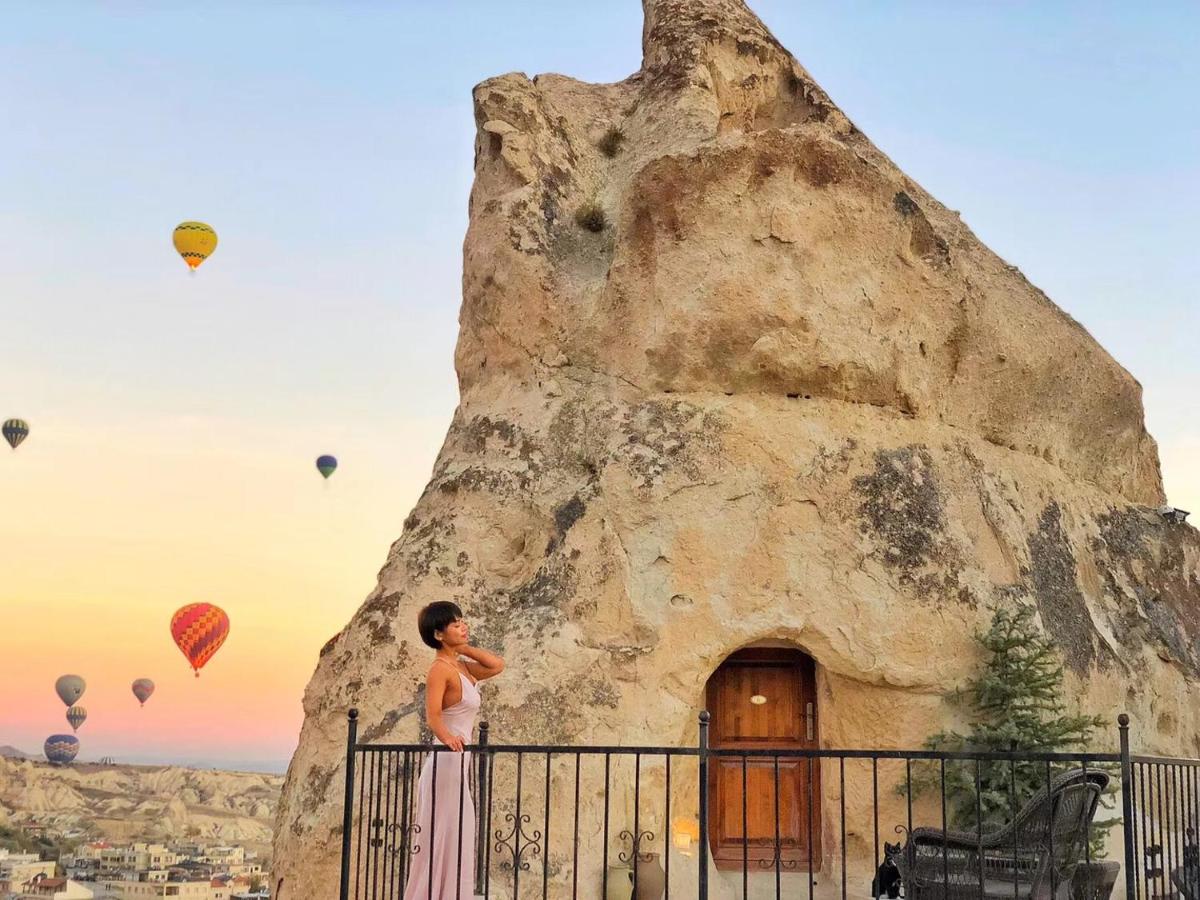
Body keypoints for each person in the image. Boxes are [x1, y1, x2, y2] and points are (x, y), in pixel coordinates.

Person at [402, 601, 504, 900]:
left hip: (458, 762)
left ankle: (451, 893)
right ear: (437, 633)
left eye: (462, 621)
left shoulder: (459, 667)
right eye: (455, 624)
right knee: (445, 831)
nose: (463, 626)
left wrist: (463, 647)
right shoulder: (439, 670)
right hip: (446, 762)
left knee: (459, 829)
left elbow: (496, 665)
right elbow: (433, 715)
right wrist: (448, 738)